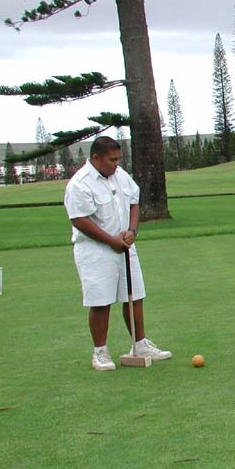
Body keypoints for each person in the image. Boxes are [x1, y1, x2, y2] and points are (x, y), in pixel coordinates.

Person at [64, 136, 171, 370]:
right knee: (101, 301)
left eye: (118, 159)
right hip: (95, 249)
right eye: (112, 160)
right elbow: (79, 220)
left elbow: (134, 201)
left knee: (134, 295)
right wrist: (110, 240)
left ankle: (139, 344)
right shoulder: (80, 183)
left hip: (124, 245)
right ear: (96, 158)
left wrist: (132, 230)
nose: (116, 164)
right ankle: (100, 352)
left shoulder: (120, 175)